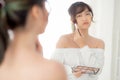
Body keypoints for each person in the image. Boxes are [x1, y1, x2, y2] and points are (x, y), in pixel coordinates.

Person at [0, 0, 67, 80]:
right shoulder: (53, 71)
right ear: (36, 12)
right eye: (45, 6)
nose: (47, 13)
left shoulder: (3, 65)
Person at [51, 1, 105, 80]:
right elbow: (54, 67)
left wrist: (82, 45)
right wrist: (71, 70)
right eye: (79, 15)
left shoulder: (99, 43)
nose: (85, 18)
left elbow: (97, 71)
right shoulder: (64, 40)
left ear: (91, 16)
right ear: (73, 20)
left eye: (87, 14)